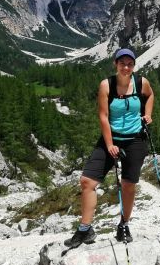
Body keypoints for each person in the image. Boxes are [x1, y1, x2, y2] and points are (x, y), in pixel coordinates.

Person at [64, 48, 154, 248]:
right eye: (122, 63)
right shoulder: (107, 85)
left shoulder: (141, 83)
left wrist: (147, 114)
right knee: (87, 181)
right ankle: (85, 229)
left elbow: (149, 96)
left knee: (128, 184)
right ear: (115, 64)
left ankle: (124, 224)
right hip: (111, 138)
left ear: (134, 65)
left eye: (130, 63)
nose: (126, 67)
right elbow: (103, 116)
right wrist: (110, 144)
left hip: (135, 139)